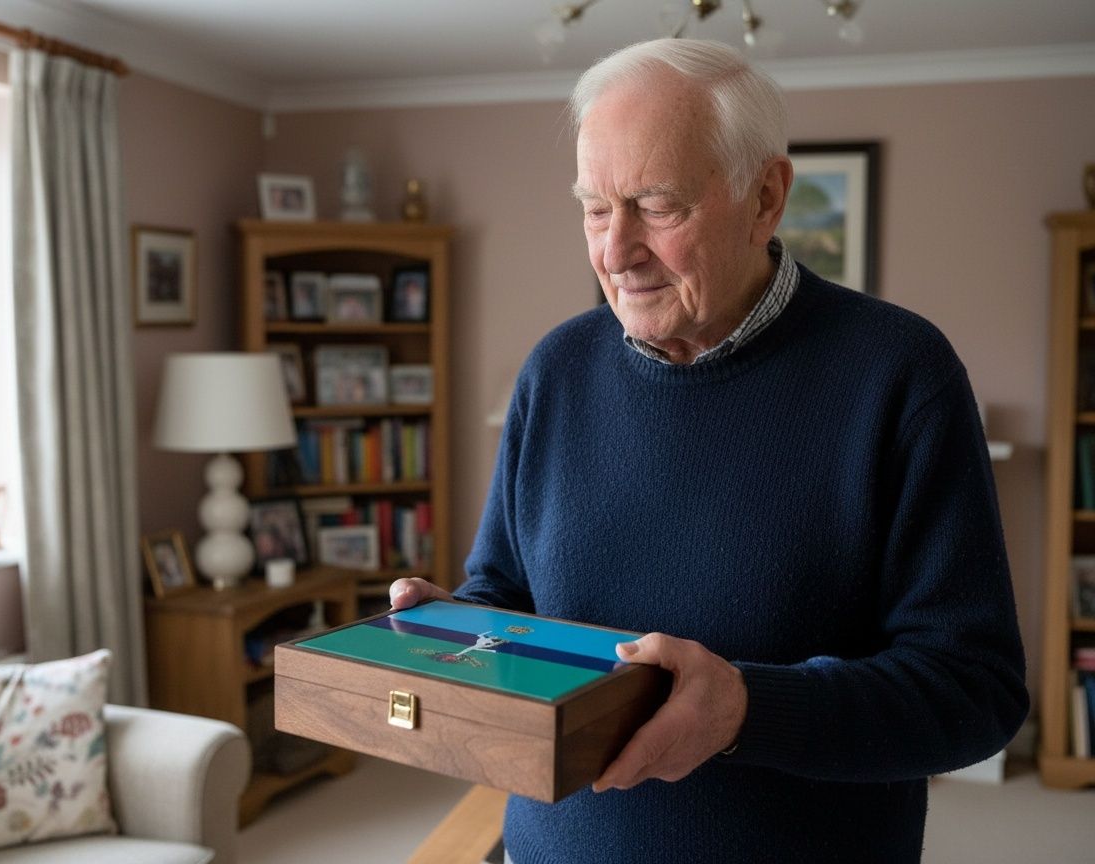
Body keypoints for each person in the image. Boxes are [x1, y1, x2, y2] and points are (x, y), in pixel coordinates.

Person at [391, 38, 1027, 863]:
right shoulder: (556, 368)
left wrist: (745, 709)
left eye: (656, 206)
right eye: (594, 207)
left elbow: (972, 691)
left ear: (766, 197)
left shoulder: (901, 374)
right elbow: (507, 591)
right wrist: (457, 631)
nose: (614, 253)